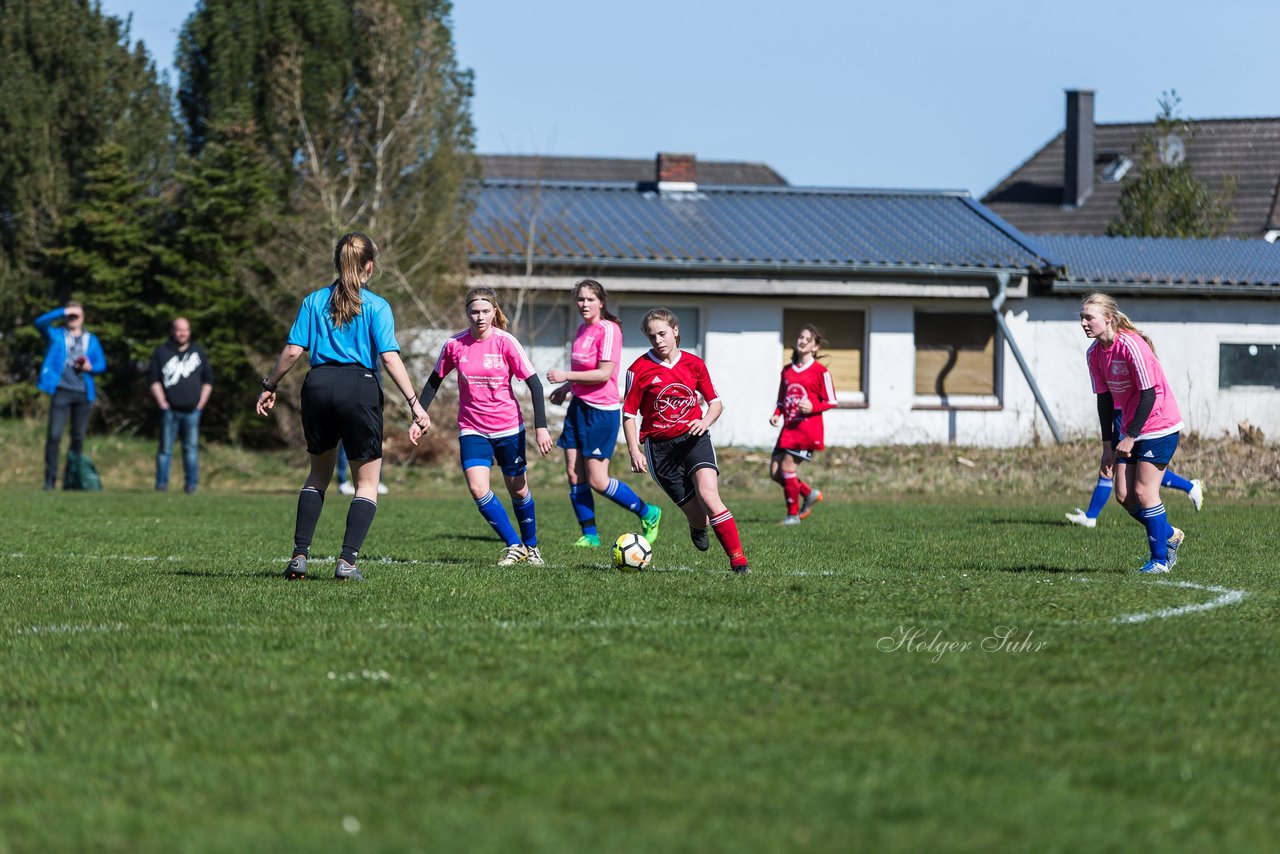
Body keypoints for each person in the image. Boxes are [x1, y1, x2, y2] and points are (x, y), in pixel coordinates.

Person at [256, 232, 428, 581]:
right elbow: (391, 358)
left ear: (338, 263)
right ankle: (347, 562)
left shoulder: (313, 300)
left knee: (318, 475)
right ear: (370, 266)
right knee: (366, 482)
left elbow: (292, 351)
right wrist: (415, 402)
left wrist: (269, 385)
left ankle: (299, 556)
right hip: (360, 387)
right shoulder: (377, 306)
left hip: (317, 386)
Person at [408, 287, 554, 566]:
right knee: (477, 488)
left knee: (518, 489)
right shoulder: (455, 344)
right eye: (474, 311)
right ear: (467, 313)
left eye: (485, 311)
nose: (480, 317)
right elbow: (434, 381)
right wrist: (419, 416)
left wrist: (541, 427)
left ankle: (532, 546)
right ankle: (514, 545)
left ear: (494, 312)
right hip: (472, 427)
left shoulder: (506, 342)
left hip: (509, 427)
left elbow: (534, 384)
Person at [622, 308, 749, 574]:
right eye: (652, 336)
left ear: (675, 331)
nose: (658, 340)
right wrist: (634, 450)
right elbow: (628, 414)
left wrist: (704, 421)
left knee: (709, 496)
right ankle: (697, 526)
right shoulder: (638, 370)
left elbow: (715, 403)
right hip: (660, 450)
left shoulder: (694, 364)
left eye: (663, 333)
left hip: (694, 439)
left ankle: (739, 562)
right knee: (698, 515)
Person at [547, 279, 662, 548]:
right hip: (578, 407)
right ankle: (590, 535)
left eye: (589, 299)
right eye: (580, 299)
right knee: (574, 475)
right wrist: (566, 388)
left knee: (598, 480)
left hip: (602, 411)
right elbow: (585, 373)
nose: (584, 304)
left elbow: (604, 373)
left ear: (601, 302)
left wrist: (566, 375)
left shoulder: (609, 330)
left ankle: (648, 512)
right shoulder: (581, 330)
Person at [1080, 292, 1185, 573]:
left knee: (1144, 491)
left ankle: (1160, 561)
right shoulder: (1094, 354)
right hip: (1130, 427)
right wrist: (1107, 446)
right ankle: (1169, 535)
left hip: (1158, 424)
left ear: (1109, 318)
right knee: (1125, 496)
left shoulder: (1131, 345)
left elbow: (1148, 394)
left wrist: (1130, 436)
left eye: (1089, 317)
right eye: (1082, 317)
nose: (1084, 323)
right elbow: (1104, 400)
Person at [768, 324, 836, 525]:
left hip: (807, 430)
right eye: (801, 337)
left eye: (808, 339)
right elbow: (782, 399)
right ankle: (808, 493)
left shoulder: (820, 372)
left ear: (815, 347)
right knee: (775, 472)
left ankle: (792, 515)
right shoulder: (787, 371)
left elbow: (831, 400)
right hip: (788, 429)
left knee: (787, 467)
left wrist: (812, 406)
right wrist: (776, 414)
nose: (803, 341)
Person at [35, 301, 107, 490]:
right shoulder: (56, 335)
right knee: (54, 436)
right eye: (70, 316)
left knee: (78, 438)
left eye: (77, 315)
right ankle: (49, 480)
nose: (73, 319)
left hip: (83, 393)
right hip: (61, 391)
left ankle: (71, 480)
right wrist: (63, 311)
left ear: (83, 318)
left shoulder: (91, 340)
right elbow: (39, 323)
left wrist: (90, 367)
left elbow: (101, 364)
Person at [148, 317, 214, 493]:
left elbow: (208, 380)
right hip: (169, 409)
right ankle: (161, 485)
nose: (182, 333)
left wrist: (201, 403)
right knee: (165, 449)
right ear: (173, 331)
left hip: (193, 410)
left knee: (191, 449)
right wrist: (161, 401)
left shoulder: (198, 353)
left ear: (190, 332)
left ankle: (191, 485)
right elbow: (154, 379)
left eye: (185, 329)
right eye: (179, 329)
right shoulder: (161, 352)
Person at [1065, 467, 1204, 528]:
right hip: (1121, 419)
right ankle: (1091, 516)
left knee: (1145, 472)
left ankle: (1190, 486)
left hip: (1130, 423)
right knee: (1108, 467)